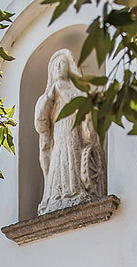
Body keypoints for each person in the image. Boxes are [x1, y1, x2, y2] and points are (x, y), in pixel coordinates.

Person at [34, 49, 105, 216]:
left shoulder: (75, 91)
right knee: (58, 159)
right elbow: (40, 123)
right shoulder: (49, 95)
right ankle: (55, 197)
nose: (59, 67)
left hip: (73, 131)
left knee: (71, 155)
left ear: (69, 67)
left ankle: (75, 191)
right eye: (56, 65)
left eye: (62, 64)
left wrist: (62, 90)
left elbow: (84, 106)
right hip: (57, 135)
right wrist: (50, 97)